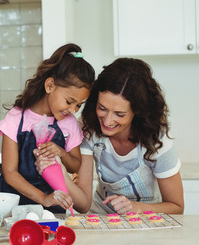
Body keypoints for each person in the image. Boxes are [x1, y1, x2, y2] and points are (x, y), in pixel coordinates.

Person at [74, 57, 184, 215]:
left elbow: (177, 207)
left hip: (146, 219)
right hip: (100, 216)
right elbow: (83, 203)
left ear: (138, 111)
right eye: (102, 108)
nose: (108, 120)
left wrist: (137, 207)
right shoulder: (88, 127)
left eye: (119, 114)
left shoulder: (156, 140)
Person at [0, 43, 95, 213]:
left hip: (53, 209)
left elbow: (75, 166)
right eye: (69, 101)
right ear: (50, 86)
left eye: (79, 105)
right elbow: (10, 173)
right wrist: (43, 198)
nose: (72, 110)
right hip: (12, 207)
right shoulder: (17, 118)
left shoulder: (68, 123)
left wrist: (61, 153)